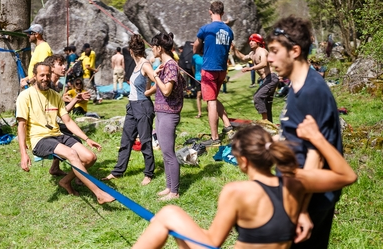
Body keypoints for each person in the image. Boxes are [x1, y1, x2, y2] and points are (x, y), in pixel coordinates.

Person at [132, 116, 357, 249]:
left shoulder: (237, 191)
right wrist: (317, 139)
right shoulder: (295, 183)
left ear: (243, 161)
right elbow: (348, 176)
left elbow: (213, 241)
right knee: (181, 231)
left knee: (169, 214)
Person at [267, 16, 345, 248]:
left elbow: (315, 156)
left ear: (294, 50)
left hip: (310, 201)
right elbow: (298, 139)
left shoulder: (313, 90)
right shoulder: (296, 86)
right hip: (295, 192)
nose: (269, 58)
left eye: (274, 50)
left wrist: (300, 209)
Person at [16, 62, 115, 204]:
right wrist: (23, 154)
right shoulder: (25, 96)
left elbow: (68, 121)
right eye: (41, 75)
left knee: (90, 157)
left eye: (48, 75)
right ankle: (99, 194)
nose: (45, 78)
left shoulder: (55, 95)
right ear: (35, 76)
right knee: (72, 154)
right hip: (39, 139)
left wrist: (86, 139)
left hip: (57, 135)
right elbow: (21, 125)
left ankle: (65, 181)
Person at [103, 35, 156, 186]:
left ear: (131, 51)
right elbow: (147, 82)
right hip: (132, 106)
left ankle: (149, 173)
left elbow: (157, 82)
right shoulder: (137, 64)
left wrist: (147, 93)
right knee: (126, 140)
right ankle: (117, 171)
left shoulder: (145, 64)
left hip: (143, 106)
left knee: (145, 141)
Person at [193, 1, 234, 146]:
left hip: (209, 69)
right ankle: (228, 126)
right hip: (222, 70)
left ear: (210, 11)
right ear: (222, 12)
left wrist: (201, 50)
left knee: (210, 102)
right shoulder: (229, 31)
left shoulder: (205, 29)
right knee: (214, 98)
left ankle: (215, 138)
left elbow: (195, 48)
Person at [152, 32, 185, 200]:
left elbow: (166, 90)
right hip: (161, 112)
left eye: (153, 47)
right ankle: (169, 186)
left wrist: (155, 75)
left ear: (159, 48)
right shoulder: (165, 65)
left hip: (169, 113)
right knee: (165, 153)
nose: (151, 50)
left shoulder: (171, 65)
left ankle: (174, 192)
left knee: (169, 153)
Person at [231, 33, 279, 122]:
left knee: (258, 97)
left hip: (271, 78)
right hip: (266, 80)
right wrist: (234, 49)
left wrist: (250, 68)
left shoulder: (262, 51)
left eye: (253, 41)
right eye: (250, 41)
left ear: (258, 42)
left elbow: (264, 63)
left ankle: (265, 122)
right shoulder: (252, 53)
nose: (251, 42)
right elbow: (242, 57)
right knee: (266, 103)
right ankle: (270, 123)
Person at [192, 51, 203, 118]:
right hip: (198, 78)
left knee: (207, 96)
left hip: (206, 77)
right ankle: (199, 113)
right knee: (199, 95)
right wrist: (195, 76)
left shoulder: (206, 55)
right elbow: (192, 67)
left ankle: (209, 109)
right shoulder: (195, 57)